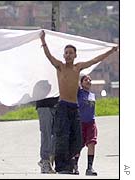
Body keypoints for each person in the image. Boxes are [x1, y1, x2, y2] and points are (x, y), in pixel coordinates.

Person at [40, 30, 117, 174]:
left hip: (74, 108)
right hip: (63, 106)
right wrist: (43, 42)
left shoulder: (78, 67)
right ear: (63, 55)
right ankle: (62, 167)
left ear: (75, 55)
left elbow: (95, 60)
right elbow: (49, 56)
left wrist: (110, 51)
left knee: (76, 137)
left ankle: (71, 165)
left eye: (71, 53)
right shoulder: (60, 66)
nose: (68, 55)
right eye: (66, 53)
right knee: (62, 136)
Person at [76, 75, 98, 176]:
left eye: (90, 79)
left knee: (92, 143)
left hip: (91, 122)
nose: (88, 81)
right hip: (81, 123)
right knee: (78, 145)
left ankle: (89, 168)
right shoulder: (79, 93)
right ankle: (74, 166)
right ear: (81, 83)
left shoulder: (92, 95)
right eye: (86, 80)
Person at [36, 96, 59, 174]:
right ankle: (45, 160)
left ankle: (49, 160)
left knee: (57, 135)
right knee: (46, 133)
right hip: (43, 105)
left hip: (57, 105)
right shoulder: (39, 84)